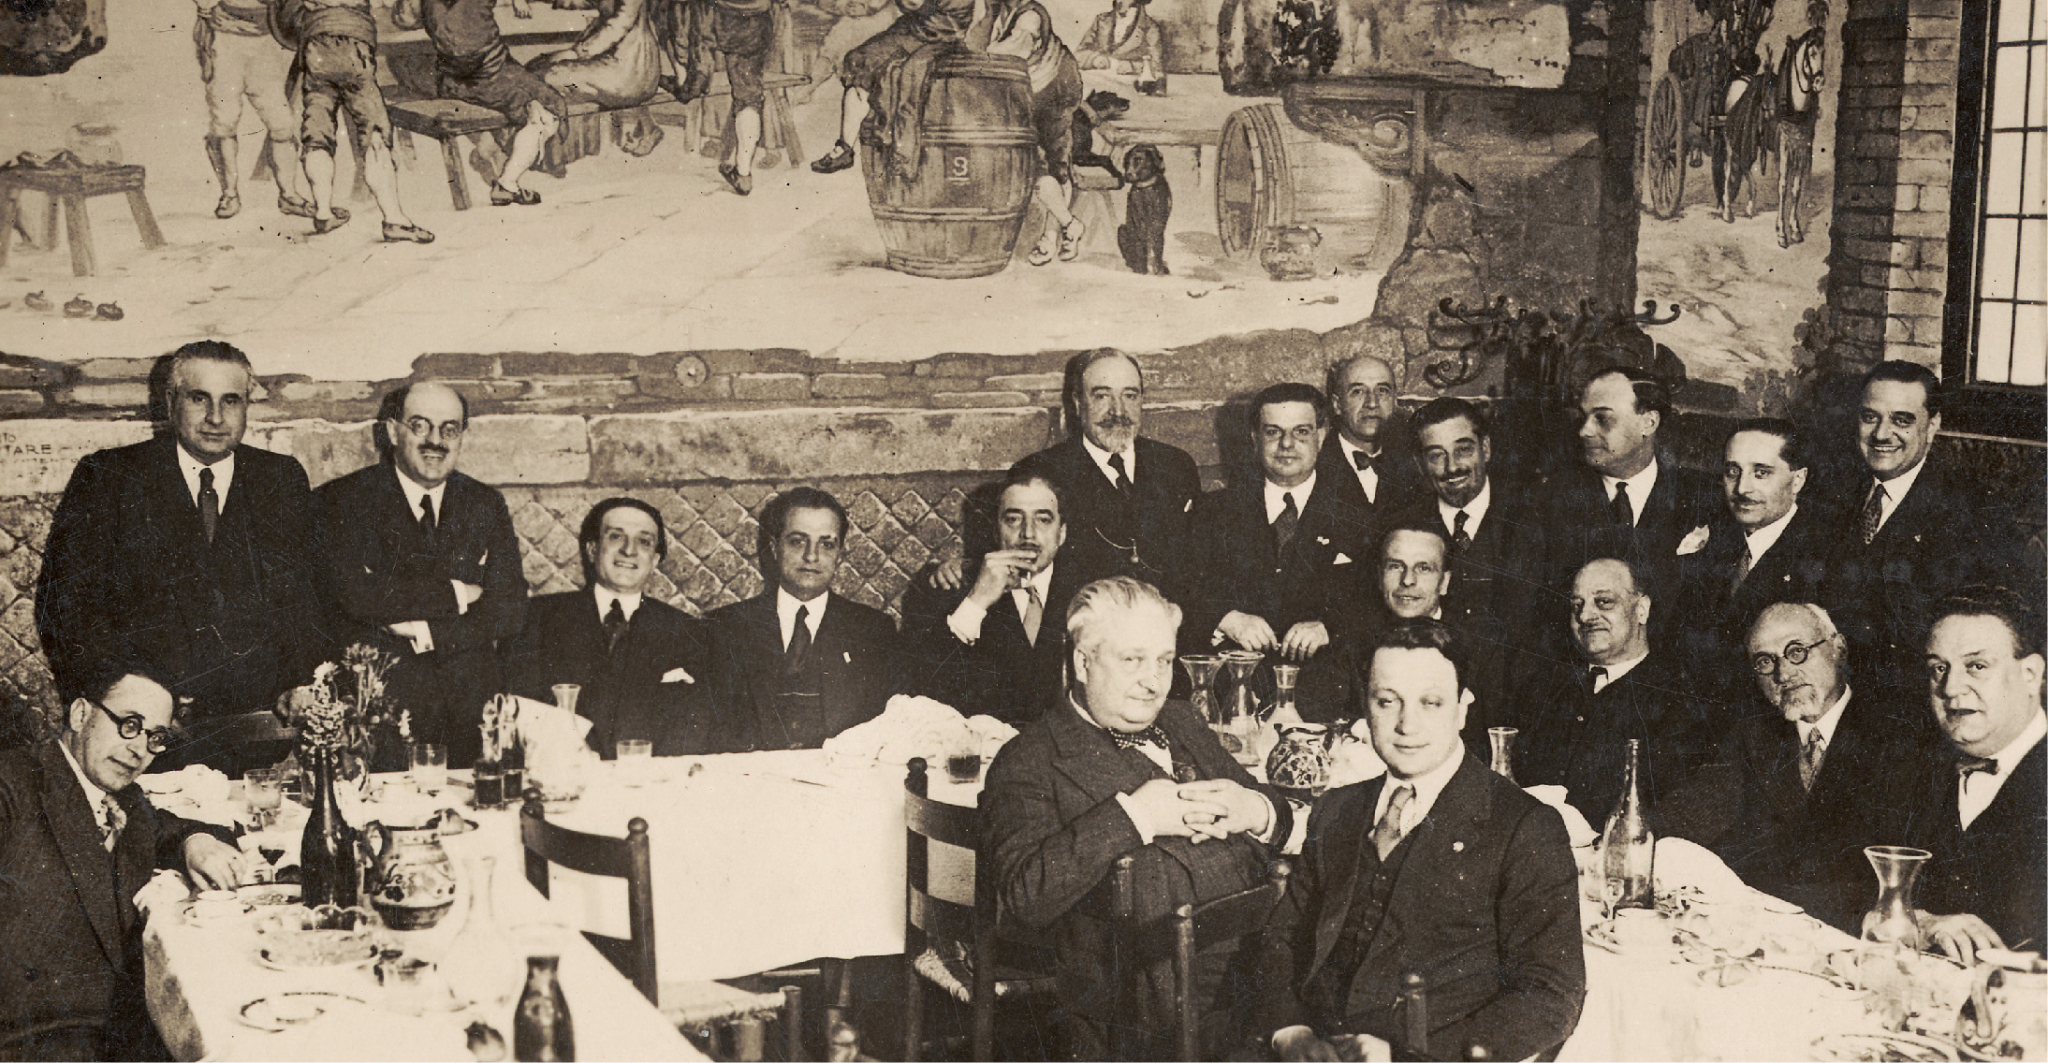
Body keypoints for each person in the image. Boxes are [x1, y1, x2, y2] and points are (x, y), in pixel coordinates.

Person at [981, 576, 1290, 1060]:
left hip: (1265, 985)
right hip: (1139, 1019)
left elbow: (1279, 816)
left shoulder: (1183, 720)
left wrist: (1255, 809)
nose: (1153, 682)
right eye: (1132, 660)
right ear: (1083, 663)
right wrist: (1136, 815)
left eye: (1164, 661)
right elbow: (1024, 896)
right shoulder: (1030, 758)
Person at [1261, 621, 1585, 1063]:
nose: (1406, 725)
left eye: (1430, 703)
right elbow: (1283, 936)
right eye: (1386, 701)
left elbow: (1551, 996)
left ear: (1463, 708)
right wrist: (1290, 1031)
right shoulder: (1337, 808)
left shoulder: (1525, 827)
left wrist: (1407, 1056)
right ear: (1365, 706)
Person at [36, 342, 327, 776]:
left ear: (247, 405)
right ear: (171, 402)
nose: (216, 417)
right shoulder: (110, 477)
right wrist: (127, 702)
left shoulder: (280, 478)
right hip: (141, 737)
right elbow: (67, 608)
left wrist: (300, 681)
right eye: (199, 399)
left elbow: (306, 598)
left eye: (231, 401)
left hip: (255, 733)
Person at [0, 660, 249, 1060]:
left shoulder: (124, 797)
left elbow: (165, 827)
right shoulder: (13, 785)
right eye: (129, 725)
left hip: (117, 1037)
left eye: (155, 737)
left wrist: (197, 840)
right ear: (80, 714)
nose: (139, 749)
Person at [1654, 603, 1928, 933]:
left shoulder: (1898, 734)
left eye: (1797, 652)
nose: (1783, 675)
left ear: (1839, 649)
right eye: (1765, 661)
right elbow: (1687, 812)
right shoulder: (1753, 736)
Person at [316, 383, 526, 767]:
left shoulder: (484, 503)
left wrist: (423, 631)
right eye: (420, 426)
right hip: (384, 715)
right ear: (392, 431)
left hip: (470, 712)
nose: (436, 441)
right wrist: (460, 593)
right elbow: (356, 595)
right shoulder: (342, 500)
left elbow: (509, 608)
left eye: (449, 429)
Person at [1831, 361, 2020, 703]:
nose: (1881, 434)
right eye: (1870, 417)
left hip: (1917, 706)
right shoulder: (1833, 492)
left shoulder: (1976, 512)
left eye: (1902, 420)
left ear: (1933, 425)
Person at [1184, 383, 1370, 722]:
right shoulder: (1213, 512)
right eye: (1273, 432)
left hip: (1327, 702)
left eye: (1301, 431)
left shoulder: (1357, 517)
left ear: (1322, 435)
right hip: (1234, 699)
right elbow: (1181, 588)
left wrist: (1329, 627)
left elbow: (1377, 604)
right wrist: (1227, 618)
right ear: (1255, 438)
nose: (1286, 444)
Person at [1885, 589, 2046, 962]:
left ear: (2030, 674)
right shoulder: (1907, 768)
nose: (1951, 688)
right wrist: (1916, 921)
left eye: (1977, 666)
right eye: (1939, 668)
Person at [501, 498, 715, 757]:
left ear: (655, 560)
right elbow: (518, 707)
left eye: (644, 541)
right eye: (616, 536)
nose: (629, 550)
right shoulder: (536, 618)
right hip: (560, 772)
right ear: (592, 550)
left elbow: (694, 725)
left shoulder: (686, 630)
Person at [705, 488, 905, 751]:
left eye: (827, 544)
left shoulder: (873, 631)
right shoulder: (725, 626)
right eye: (797, 541)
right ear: (775, 548)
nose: (812, 556)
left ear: (840, 554)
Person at [1515, 558, 1713, 823]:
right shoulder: (1540, 690)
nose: (1585, 616)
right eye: (1577, 605)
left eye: (1604, 602)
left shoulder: (1681, 702)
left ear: (1641, 609)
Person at [1008, 350, 1201, 603]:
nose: (1118, 411)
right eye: (1102, 396)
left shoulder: (1175, 465)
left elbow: (1196, 565)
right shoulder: (1040, 472)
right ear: (1078, 403)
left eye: (1129, 395)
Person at [900, 470, 1086, 725]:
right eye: (1013, 520)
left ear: (1061, 533)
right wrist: (977, 601)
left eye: (1043, 520)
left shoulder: (1088, 591)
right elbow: (923, 692)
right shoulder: (951, 587)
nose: (1028, 533)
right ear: (996, 531)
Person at [1675, 418, 1836, 705]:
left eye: (1761, 473)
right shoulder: (1716, 542)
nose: (1742, 488)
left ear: (1797, 480)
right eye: (1732, 472)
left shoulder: (1826, 554)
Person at [1544, 366, 1720, 615]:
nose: (1585, 431)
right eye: (1583, 417)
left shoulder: (1704, 497)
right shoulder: (1550, 498)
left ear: (1648, 422)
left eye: (1602, 419)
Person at [1386, 397, 1547, 654]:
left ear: (1485, 449)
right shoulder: (1401, 527)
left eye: (1463, 450)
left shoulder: (1533, 519)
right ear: (1420, 464)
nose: (1452, 466)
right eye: (1436, 455)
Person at [274, 0, 433, 240]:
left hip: (315, 45)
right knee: (375, 133)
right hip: (352, 44)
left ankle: (324, 213)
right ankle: (394, 219)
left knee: (317, 130)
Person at [393, 0, 564, 207]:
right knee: (545, 109)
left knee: (538, 100)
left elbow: (406, 19)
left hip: (459, 78)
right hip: (487, 76)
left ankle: (491, 154)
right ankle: (507, 182)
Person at [1368, 522, 1510, 745]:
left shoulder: (1485, 646)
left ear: (1444, 582)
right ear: (1379, 576)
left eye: (1423, 568)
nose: (1407, 580)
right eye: (1395, 566)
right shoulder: (1356, 643)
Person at [807, 0, 975, 175]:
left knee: (868, 62)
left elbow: (914, 3)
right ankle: (845, 147)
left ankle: (855, 148)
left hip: (937, 30)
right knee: (857, 59)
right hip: (922, 25)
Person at [981, 0, 1087, 266]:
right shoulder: (1001, 11)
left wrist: (978, 52)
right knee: (1046, 165)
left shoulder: (1029, 16)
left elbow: (1010, 51)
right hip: (1032, 87)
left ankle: (1062, 231)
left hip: (1052, 86)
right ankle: (1060, 233)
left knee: (1050, 164)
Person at [191, 0, 311, 220]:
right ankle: (229, 194)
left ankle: (289, 195)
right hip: (224, 39)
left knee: (282, 123)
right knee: (224, 122)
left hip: (266, 40)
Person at [1315, 354, 1422, 524]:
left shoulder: (1415, 467)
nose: (1372, 403)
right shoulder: (1315, 466)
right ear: (1337, 405)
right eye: (1358, 391)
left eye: (1382, 391)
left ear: (1394, 400)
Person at [1074, 0, 1164, 94]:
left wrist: (1132, 66)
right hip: (1098, 83)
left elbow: (1157, 66)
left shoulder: (1150, 28)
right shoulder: (1101, 20)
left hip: (1128, 87)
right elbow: (1078, 55)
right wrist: (1094, 59)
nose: (1120, 1)